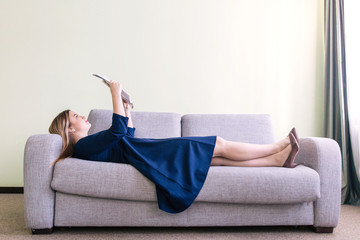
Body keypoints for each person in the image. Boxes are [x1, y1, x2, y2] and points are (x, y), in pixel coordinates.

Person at [49, 80, 300, 213]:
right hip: (152, 154)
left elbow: (126, 134)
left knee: (217, 159)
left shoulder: (91, 143)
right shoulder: (83, 147)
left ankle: (276, 160)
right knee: (219, 145)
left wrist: (126, 111)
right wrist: (115, 92)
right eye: (76, 117)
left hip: (147, 151)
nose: (82, 116)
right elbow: (117, 131)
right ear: (70, 130)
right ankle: (276, 146)